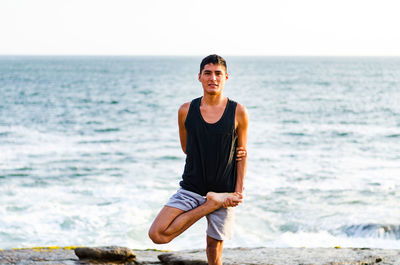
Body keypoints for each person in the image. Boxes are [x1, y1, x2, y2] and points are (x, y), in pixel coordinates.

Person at [148, 54, 248, 265]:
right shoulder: (186, 110)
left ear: (226, 77)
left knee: (213, 250)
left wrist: (237, 192)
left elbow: (241, 154)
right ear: (200, 77)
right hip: (192, 187)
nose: (213, 78)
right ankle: (209, 204)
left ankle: (213, 202)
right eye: (208, 73)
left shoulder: (238, 111)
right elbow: (186, 148)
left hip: (224, 192)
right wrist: (210, 203)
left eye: (218, 73)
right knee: (157, 234)